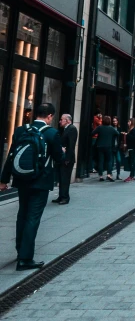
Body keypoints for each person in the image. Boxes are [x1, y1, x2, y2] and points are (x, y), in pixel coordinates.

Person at [0, 102, 63, 271]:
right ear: (50, 116)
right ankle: (25, 258)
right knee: (33, 218)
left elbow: (11, 154)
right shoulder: (51, 133)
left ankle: (20, 250)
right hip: (41, 181)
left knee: (22, 214)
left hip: (22, 180)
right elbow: (59, 158)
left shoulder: (21, 130)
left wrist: (4, 180)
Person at [52, 113, 77, 205]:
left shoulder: (72, 129)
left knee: (65, 179)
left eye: (62, 119)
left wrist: (67, 159)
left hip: (67, 159)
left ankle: (65, 197)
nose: (60, 121)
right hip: (62, 158)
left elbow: (71, 145)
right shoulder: (65, 129)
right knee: (61, 178)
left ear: (68, 121)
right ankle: (61, 196)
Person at [91, 116, 119, 181]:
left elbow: (92, 133)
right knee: (109, 160)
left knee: (101, 160)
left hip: (100, 146)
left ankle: (100, 176)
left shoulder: (100, 127)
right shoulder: (111, 128)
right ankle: (109, 174)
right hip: (108, 146)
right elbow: (117, 133)